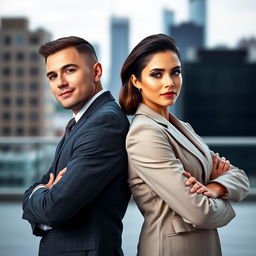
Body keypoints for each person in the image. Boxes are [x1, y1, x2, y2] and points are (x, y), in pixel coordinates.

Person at [119, 34, 249, 256]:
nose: (169, 82)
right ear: (136, 81)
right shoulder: (144, 133)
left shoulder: (183, 127)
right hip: (170, 248)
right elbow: (201, 214)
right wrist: (226, 200)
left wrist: (215, 188)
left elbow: (241, 177)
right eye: (156, 74)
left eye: (175, 72)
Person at [22, 36, 130, 256]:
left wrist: (39, 194)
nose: (60, 82)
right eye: (52, 76)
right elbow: (43, 185)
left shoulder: (104, 123)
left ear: (96, 72)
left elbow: (54, 208)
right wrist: (41, 192)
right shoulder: (83, 122)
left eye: (69, 70)